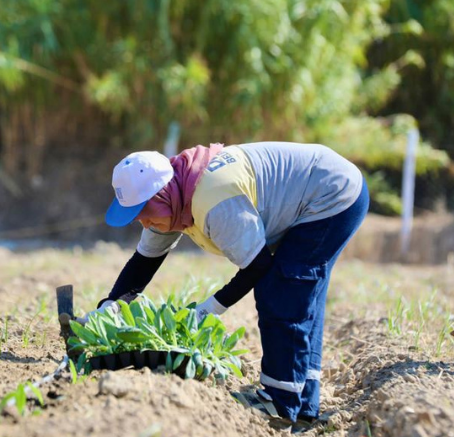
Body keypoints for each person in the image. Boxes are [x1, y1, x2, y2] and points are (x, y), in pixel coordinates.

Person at [84, 141, 368, 425]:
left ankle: (281, 403)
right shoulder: (174, 198)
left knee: (281, 290)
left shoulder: (213, 200)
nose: (144, 224)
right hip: (320, 188)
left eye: (143, 213)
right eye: (136, 218)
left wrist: (210, 308)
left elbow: (257, 266)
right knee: (299, 294)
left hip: (331, 194)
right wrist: (111, 305)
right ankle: (303, 402)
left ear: (161, 195)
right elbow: (143, 262)